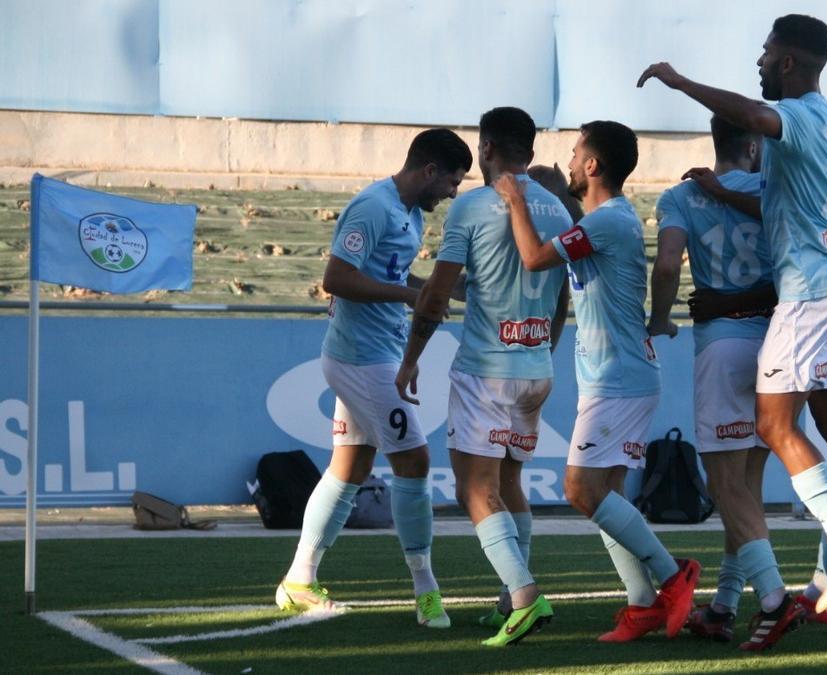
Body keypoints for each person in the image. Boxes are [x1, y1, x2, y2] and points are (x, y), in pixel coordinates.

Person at [637, 14, 827, 620]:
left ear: (786, 62)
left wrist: (677, 80)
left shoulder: (797, 116)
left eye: (764, 52)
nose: (757, 61)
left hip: (808, 293)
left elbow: (754, 117)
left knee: (774, 424)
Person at [492, 120, 701, 643]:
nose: (568, 159)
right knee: (609, 496)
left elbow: (535, 256)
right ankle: (643, 604)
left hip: (619, 378)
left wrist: (516, 199)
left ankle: (675, 578)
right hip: (617, 374)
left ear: (592, 164)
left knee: (580, 489)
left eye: (575, 150)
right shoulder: (603, 221)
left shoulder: (608, 221)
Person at [275, 128, 471, 629]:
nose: (453, 192)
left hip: (373, 352)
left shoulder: (407, 214)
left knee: (350, 467)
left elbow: (389, 271)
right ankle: (426, 592)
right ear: (428, 171)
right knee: (414, 461)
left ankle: (298, 579)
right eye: (451, 181)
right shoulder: (373, 207)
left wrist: (428, 287)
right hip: (361, 359)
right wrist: (412, 299)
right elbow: (336, 278)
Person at [395, 108, 572, 646]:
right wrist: (543, 350)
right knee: (511, 483)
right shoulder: (562, 213)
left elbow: (436, 294)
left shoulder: (472, 206)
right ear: (532, 153)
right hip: (536, 368)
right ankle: (505, 601)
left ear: (487, 147)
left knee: (475, 488)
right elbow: (562, 297)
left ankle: (522, 595)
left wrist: (411, 358)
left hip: (485, 371)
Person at [647, 115, 803, 650]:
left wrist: (659, 318)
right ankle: (724, 606)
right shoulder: (776, 187)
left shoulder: (681, 195)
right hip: (780, 342)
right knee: (748, 489)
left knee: (725, 486)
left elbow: (668, 264)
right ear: (755, 147)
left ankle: (775, 598)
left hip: (722, 343)